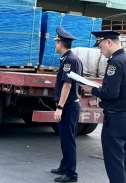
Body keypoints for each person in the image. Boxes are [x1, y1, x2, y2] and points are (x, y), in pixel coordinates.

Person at [80, 30, 126, 183]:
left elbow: (111, 93)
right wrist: (102, 88)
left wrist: (91, 89)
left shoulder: (115, 62)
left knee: (114, 163)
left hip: (116, 117)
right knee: (125, 159)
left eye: (100, 46)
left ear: (109, 42)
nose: (100, 50)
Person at [51, 26, 83, 183]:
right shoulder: (72, 58)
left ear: (60, 44)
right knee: (65, 138)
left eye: (56, 42)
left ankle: (71, 173)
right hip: (71, 105)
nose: (55, 45)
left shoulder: (69, 60)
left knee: (68, 139)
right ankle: (64, 166)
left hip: (69, 106)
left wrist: (60, 107)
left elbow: (67, 85)